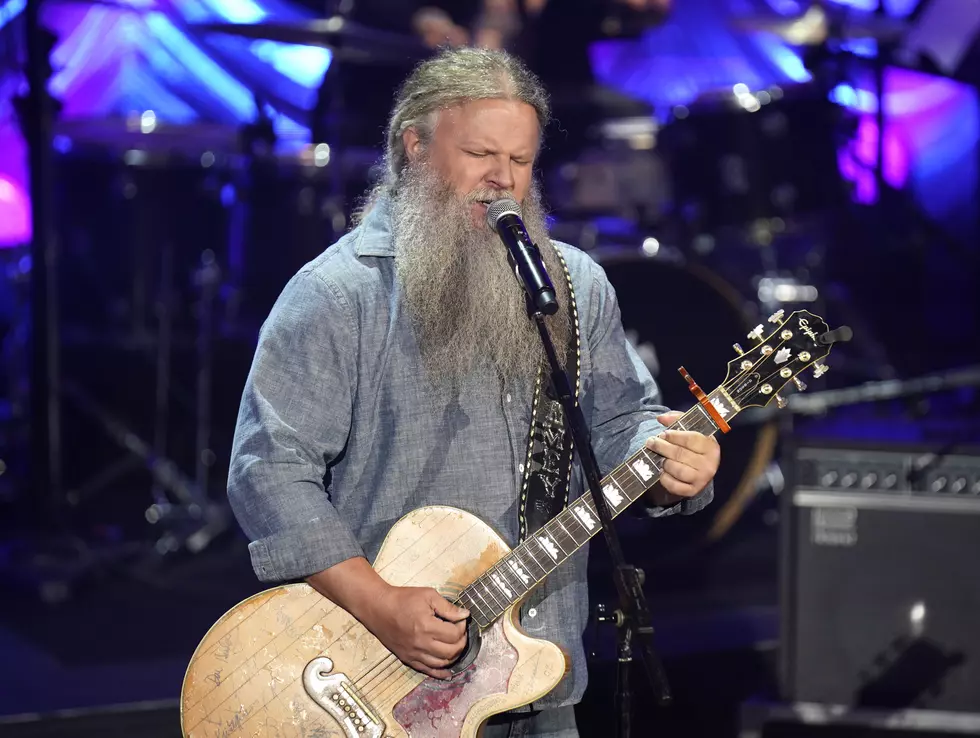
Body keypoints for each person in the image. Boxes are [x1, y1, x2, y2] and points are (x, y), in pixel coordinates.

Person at [228, 46, 720, 737]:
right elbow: (267, 471)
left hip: (541, 676)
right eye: (481, 155)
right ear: (415, 147)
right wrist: (378, 603)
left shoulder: (574, 284)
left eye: (521, 162)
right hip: (379, 677)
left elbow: (619, 421)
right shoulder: (337, 295)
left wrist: (669, 463)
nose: (503, 182)